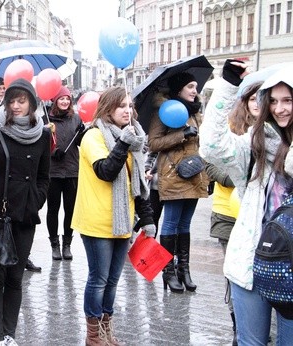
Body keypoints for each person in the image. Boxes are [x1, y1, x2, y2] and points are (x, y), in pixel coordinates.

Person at [200, 60, 293, 345]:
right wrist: (228, 85)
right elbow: (212, 145)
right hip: (250, 264)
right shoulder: (254, 149)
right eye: (273, 101)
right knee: (251, 342)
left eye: (288, 100)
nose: (280, 108)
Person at [0, 78, 50, 346]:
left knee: (15, 278)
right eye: (11, 100)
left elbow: (43, 177)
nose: (15, 106)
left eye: (21, 100)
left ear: (32, 103)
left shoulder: (43, 134)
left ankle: (9, 334)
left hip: (24, 216)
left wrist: (36, 200)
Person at [71, 86, 155, 346]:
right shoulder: (93, 136)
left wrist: (148, 218)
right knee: (99, 280)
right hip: (97, 222)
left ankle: (107, 329)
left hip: (123, 222)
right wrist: (123, 144)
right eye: (121, 106)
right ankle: (93, 334)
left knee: (113, 281)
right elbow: (106, 170)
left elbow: (137, 184)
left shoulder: (134, 138)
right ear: (108, 108)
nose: (127, 111)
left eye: (130, 106)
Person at [204, 81, 261, 346]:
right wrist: (234, 174)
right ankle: (239, 324)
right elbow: (211, 163)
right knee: (236, 276)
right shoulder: (232, 129)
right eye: (253, 99)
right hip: (228, 213)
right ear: (245, 102)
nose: (258, 104)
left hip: (262, 221)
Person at [148, 71, 209, 293]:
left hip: (194, 173)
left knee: (185, 225)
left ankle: (184, 270)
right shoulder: (163, 110)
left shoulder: (194, 111)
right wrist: (182, 134)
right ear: (179, 89)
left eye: (195, 86)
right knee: (171, 224)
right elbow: (153, 143)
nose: (195, 91)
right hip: (173, 174)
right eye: (190, 86)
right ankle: (168, 271)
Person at [46, 86, 84, 260]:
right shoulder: (46, 119)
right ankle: (54, 245)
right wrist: (53, 152)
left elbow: (81, 143)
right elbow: (41, 143)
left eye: (67, 99)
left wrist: (82, 133)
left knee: (70, 210)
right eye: (61, 98)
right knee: (53, 209)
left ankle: (67, 244)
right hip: (53, 172)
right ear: (55, 100)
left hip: (71, 171)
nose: (65, 101)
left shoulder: (75, 119)